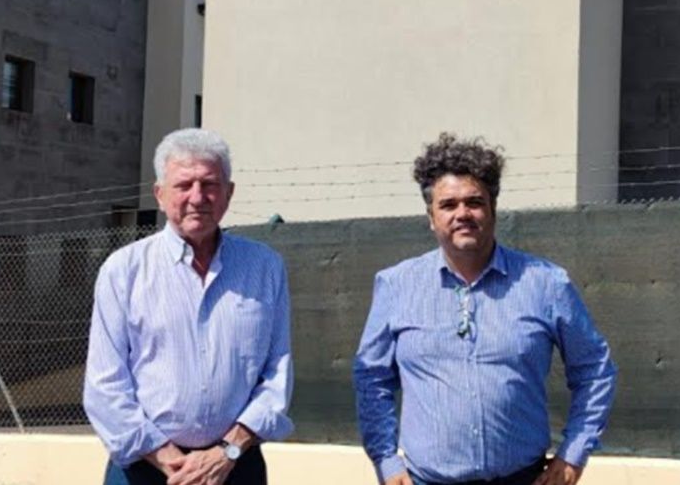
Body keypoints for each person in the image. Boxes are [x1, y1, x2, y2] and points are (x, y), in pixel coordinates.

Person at [354, 133, 617, 485]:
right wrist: (386, 461)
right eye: (448, 205)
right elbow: (372, 378)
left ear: (493, 208)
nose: (462, 214)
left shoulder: (545, 283)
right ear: (431, 217)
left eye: (474, 202)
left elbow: (595, 370)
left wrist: (573, 453)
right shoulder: (396, 286)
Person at [84, 128, 293, 485]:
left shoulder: (265, 268)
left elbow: (277, 374)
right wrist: (170, 462)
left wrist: (225, 453)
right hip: (143, 469)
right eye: (184, 185)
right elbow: (105, 386)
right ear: (160, 194)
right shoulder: (124, 271)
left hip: (236, 466)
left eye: (210, 184)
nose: (198, 197)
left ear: (228, 193)